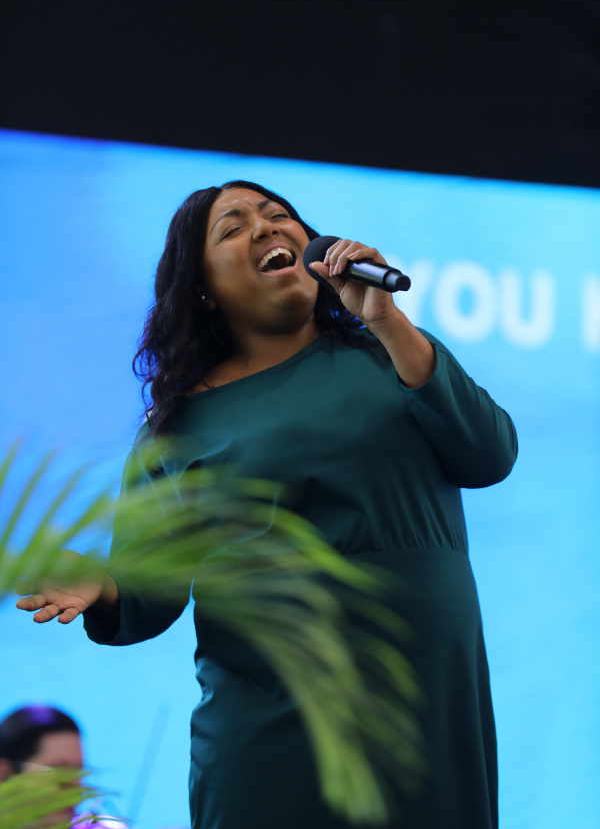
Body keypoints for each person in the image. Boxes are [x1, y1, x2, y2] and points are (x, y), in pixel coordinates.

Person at [16, 180, 518, 828]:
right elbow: (148, 595)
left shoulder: (388, 354)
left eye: (279, 215)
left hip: (427, 708)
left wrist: (388, 320)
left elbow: (489, 455)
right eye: (233, 227)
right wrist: (101, 587)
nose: (266, 227)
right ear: (202, 289)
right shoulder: (181, 425)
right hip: (273, 726)